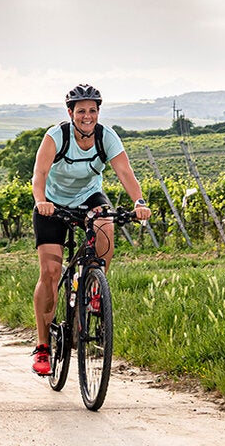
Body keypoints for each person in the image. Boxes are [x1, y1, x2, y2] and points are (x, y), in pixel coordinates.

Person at [29, 84, 152, 375]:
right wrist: (41, 201)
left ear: (98, 112)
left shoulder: (106, 137)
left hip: (89, 197)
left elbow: (124, 172)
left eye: (92, 110)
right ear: (70, 113)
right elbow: (40, 174)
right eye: (81, 111)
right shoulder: (56, 136)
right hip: (52, 203)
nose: (87, 116)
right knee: (50, 273)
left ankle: (95, 288)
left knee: (106, 224)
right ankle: (43, 346)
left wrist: (139, 201)